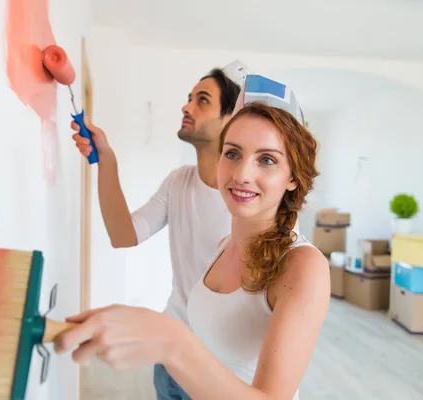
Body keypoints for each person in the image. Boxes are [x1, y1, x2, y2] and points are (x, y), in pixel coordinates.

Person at [57, 100, 331, 400]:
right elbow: (124, 233)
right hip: (182, 380)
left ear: (292, 178)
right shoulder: (225, 244)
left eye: (266, 160)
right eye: (232, 154)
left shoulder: (304, 265)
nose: (241, 174)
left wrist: (171, 342)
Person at [71, 65, 243, 397]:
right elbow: (124, 234)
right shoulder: (178, 181)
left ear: (230, 120)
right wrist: (106, 159)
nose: (186, 107)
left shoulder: (247, 197)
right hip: (169, 360)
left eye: (202, 100)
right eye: (188, 98)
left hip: (220, 368)